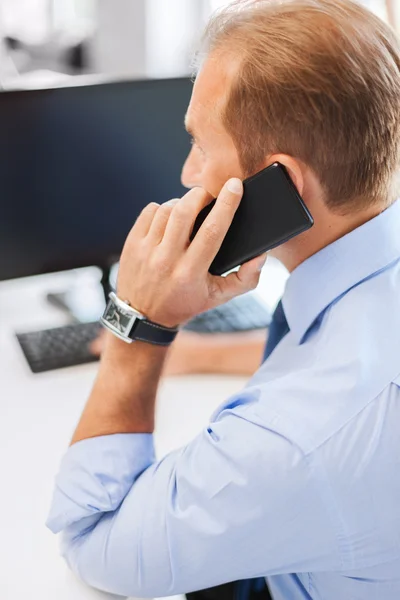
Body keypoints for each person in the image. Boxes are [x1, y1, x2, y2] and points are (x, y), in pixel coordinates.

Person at [46, 1, 400, 599]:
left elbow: (89, 540)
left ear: (278, 185)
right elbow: (334, 357)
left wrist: (141, 323)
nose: (188, 174)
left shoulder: (296, 440)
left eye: (200, 146)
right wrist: (200, 354)